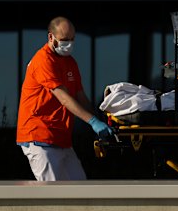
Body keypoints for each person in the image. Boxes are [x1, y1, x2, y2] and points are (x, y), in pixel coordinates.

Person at [16, 16, 114, 181]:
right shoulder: (43, 61)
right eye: (63, 40)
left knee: (80, 191)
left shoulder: (70, 62)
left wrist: (99, 118)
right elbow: (65, 98)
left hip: (61, 139)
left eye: (71, 39)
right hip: (40, 137)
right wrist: (93, 122)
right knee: (54, 197)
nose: (68, 44)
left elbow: (79, 95)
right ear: (50, 37)